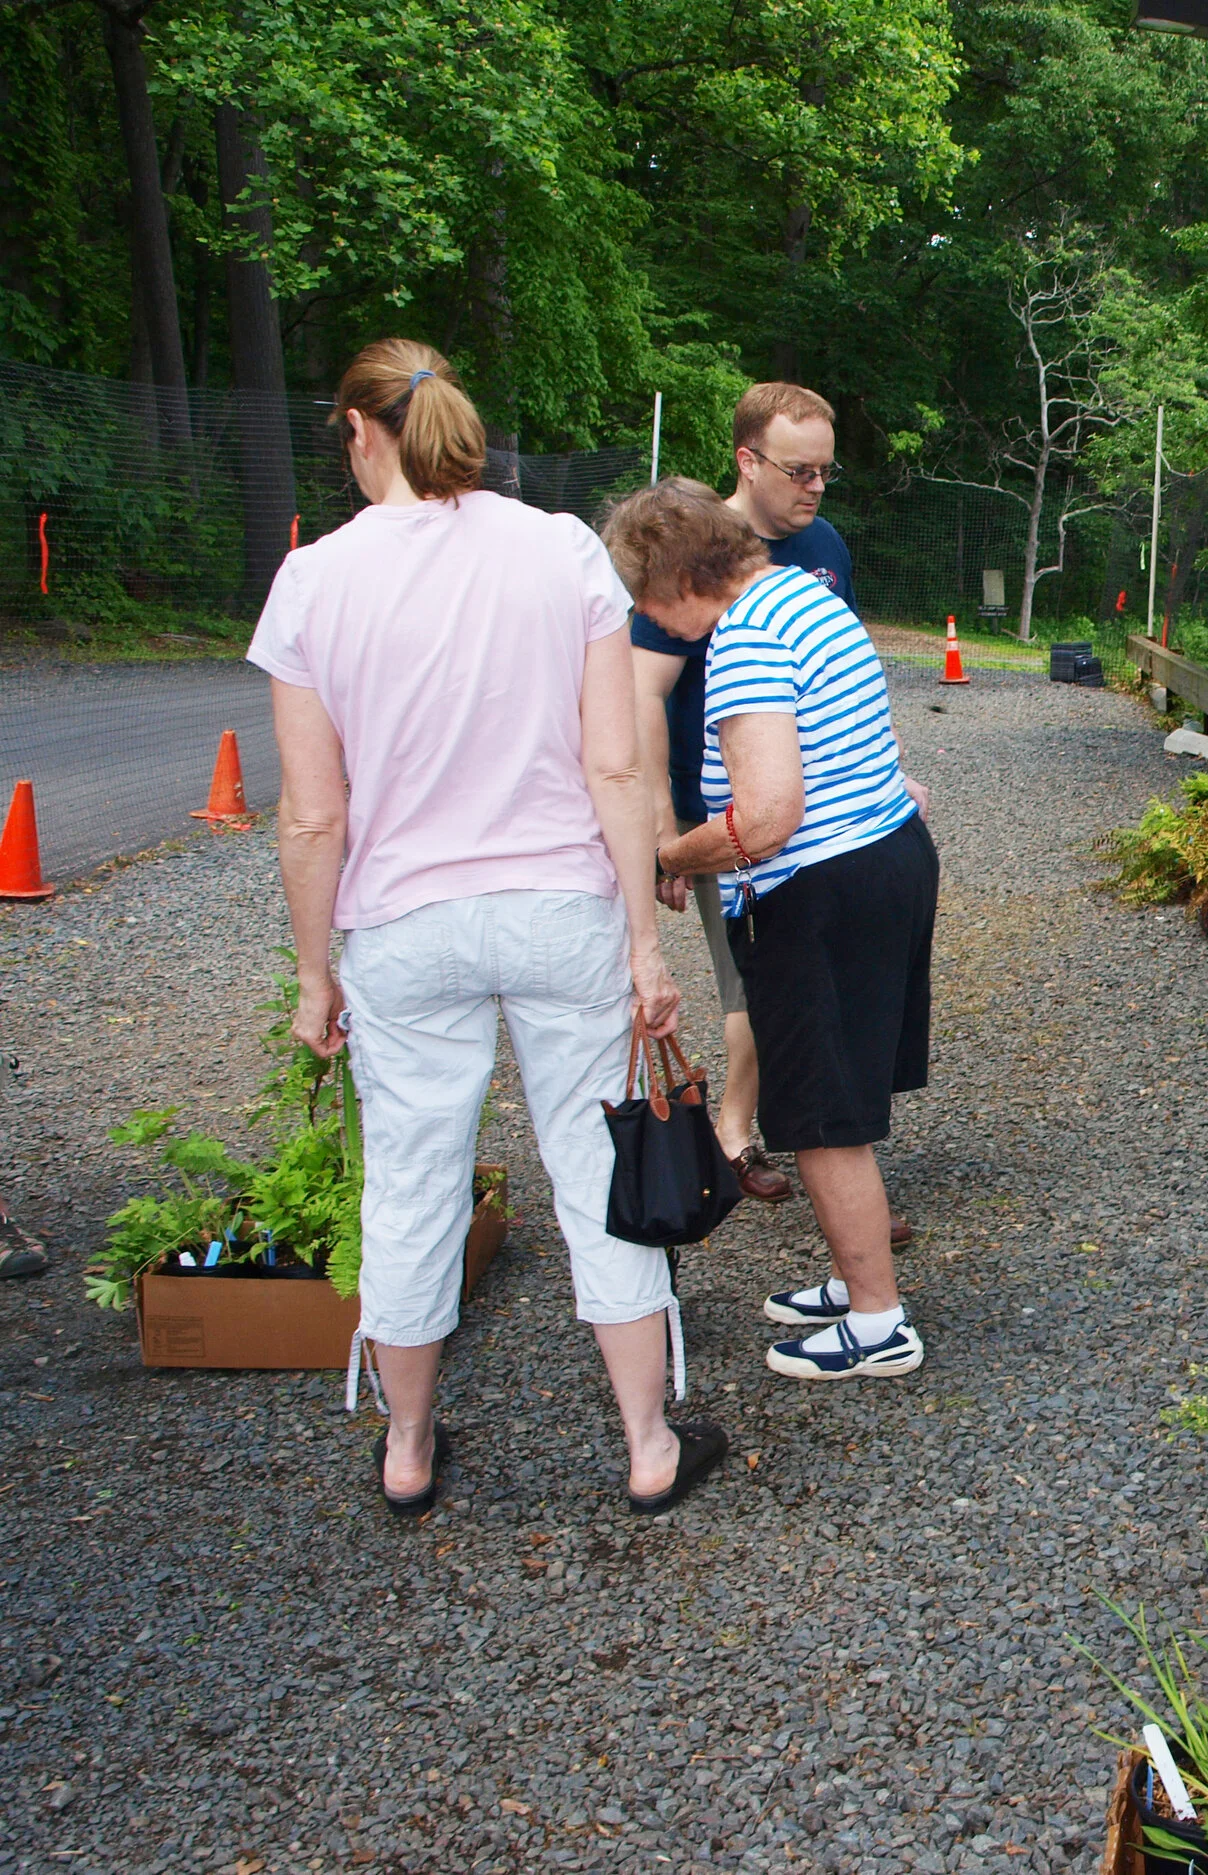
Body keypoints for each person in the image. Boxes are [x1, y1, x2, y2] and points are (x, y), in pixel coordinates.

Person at [255, 339, 725, 1515]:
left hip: (405, 927)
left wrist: (316, 975)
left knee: (411, 1185)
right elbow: (616, 765)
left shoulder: (313, 582)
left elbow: (314, 815)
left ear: (362, 432)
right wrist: (641, 941)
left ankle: (408, 1448)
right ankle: (646, 1445)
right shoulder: (560, 547)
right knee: (597, 1167)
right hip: (559, 909)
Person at [603, 478, 936, 1382]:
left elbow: (769, 812)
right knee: (829, 1098)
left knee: (824, 1117)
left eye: (647, 600)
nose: (651, 621)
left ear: (677, 577)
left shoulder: (746, 636)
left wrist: (674, 855)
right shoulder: (801, 595)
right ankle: (850, 1274)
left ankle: (878, 1320)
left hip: (822, 890)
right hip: (882, 857)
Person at [629, 382, 912, 1246]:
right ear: (746, 460)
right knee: (754, 988)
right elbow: (644, 695)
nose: (816, 486)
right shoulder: (686, 548)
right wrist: (666, 834)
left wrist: (881, 776)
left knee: (799, 1016)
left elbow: (831, 695)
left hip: (800, 833)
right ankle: (749, 1137)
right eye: (799, 469)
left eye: (827, 470)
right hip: (723, 816)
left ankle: (822, 1193)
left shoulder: (815, 555)